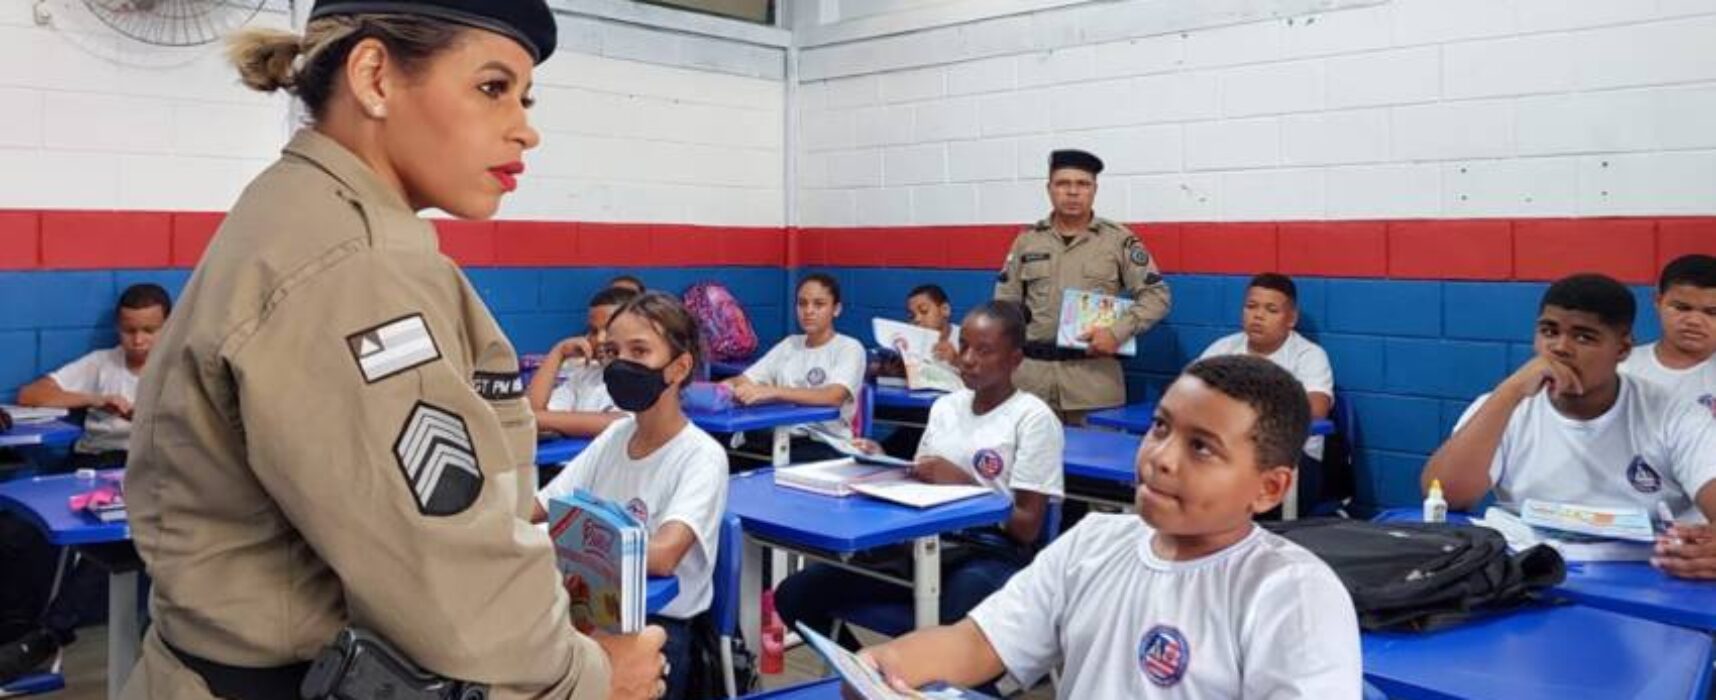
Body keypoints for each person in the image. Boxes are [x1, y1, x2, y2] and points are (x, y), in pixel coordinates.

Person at [120, 2, 666, 698]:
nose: (524, 129)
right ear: (375, 77)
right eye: (492, 88)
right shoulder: (352, 265)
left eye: (524, 99)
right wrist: (589, 678)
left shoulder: (309, 214)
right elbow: (446, 569)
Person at [850, 356, 1360, 698]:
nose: (1161, 457)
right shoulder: (1094, 541)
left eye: (1202, 447)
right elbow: (978, 644)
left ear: (1269, 489)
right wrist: (885, 664)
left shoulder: (1291, 592)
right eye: (1160, 427)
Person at [775, 301, 1064, 648]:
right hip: (922, 541)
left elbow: (1026, 526)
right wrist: (882, 461)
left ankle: (930, 674)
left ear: (1015, 359)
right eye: (964, 346)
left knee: (953, 624)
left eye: (984, 351)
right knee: (795, 594)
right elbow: (922, 479)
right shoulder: (946, 406)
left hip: (989, 550)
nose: (968, 359)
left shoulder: (1032, 419)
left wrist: (963, 482)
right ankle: (864, 670)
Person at [1421, 274, 1716, 580]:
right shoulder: (1504, 404)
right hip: (1524, 567)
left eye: (1584, 337)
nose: (1560, 347)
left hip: (1641, 576)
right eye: (1549, 331)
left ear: (1623, 348)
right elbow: (1446, 496)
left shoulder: (1674, 415)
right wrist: (1509, 392)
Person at [534, 293, 728, 700]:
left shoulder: (701, 456)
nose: (621, 364)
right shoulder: (615, 436)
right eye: (613, 352)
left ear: (679, 367)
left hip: (659, 627)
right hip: (592, 613)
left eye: (639, 351)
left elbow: (662, 556)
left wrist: (569, 539)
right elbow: (541, 506)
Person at [994, 149, 1171, 424]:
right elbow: (1004, 305)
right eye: (1063, 183)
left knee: (1096, 452)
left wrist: (1116, 333)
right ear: (1049, 189)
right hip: (1030, 385)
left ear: (1094, 190)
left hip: (1094, 385)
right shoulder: (1027, 241)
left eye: (1083, 184)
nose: (1073, 192)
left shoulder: (1117, 240)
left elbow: (1157, 296)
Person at [1196, 273, 1334, 507]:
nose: (1258, 316)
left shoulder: (1308, 356)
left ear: (1291, 318)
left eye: (1271, 310)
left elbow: (1316, 409)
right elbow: (1187, 396)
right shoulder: (1223, 348)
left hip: (1292, 462)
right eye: (1251, 307)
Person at [18, 283, 172, 469]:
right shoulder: (101, 363)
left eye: (149, 331)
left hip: (153, 464)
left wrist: (141, 418)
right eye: (129, 331)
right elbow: (29, 395)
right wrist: (95, 400)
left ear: (169, 327)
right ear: (118, 327)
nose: (138, 340)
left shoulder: (181, 369)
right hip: (97, 458)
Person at [724, 273, 866, 462]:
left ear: (836, 309)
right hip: (777, 436)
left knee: (765, 465)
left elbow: (834, 396)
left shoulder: (849, 348)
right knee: (722, 454)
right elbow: (745, 380)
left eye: (819, 304)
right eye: (802, 303)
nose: (809, 311)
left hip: (824, 443)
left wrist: (771, 392)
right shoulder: (789, 344)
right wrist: (723, 388)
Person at [526, 286, 636, 437]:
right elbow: (531, 412)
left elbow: (621, 423)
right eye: (593, 331)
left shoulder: (640, 377)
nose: (600, 339)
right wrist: (558, 352)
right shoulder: (585, 375)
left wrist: (534, 418)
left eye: (609, 329)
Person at [1621, 254, 1716, 406]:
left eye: (1711, 312)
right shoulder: (1621, 370)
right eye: (1682, 308)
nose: (1694, 321)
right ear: (1658, 302)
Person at [906, 284, 959, 364]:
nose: (917, 319)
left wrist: (957, 361)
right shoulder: (908, 343)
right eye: (912, 316)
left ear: (945, 310)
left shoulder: (967, 341)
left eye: (924, 311)